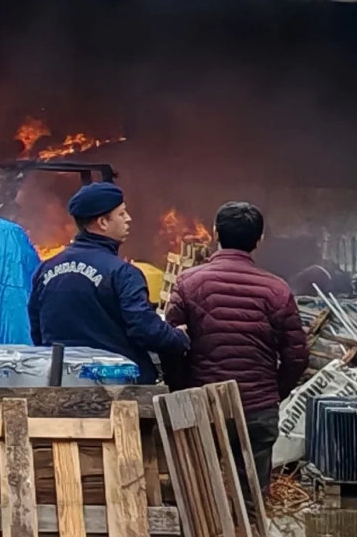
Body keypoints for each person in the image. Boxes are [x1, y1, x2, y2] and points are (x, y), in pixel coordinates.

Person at [167, 202, 309, 492]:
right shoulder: (277, 290)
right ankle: (252, 523)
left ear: (215, 233)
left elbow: (170, 345)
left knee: (200, 496)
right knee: (252, 498)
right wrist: (272, 392)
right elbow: (297, 356)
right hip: (256, 409)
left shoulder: (188, 283)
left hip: (202, 404)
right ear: (259, 240)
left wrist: (181, 387)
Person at [29, 182, 189, 384]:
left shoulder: (45, 270)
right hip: (117, 385)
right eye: (121, 214)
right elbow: (145, 330)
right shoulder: (122, 273)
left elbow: (37, 330)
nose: (128, 219)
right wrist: (178, 337)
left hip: (62, 382)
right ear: (103, 222)